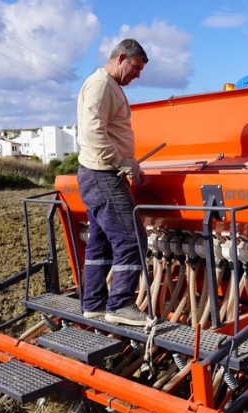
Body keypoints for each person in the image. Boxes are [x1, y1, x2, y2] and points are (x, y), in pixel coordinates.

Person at [76, 39, 150, 327]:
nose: (138, 75)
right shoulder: (102, 85)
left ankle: (93, 304)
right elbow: (93, 132)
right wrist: (121, 162)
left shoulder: (106, 85)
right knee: (132, 239)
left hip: (95, 174)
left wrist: (127, 161)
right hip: (104, 175)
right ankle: (120, 304)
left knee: (101, 241)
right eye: (136, 67)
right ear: (121, 58)